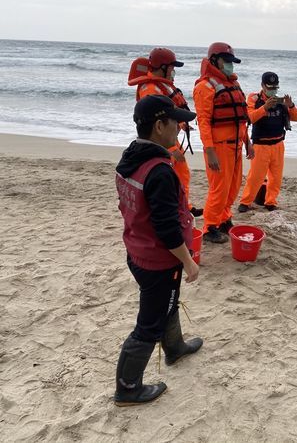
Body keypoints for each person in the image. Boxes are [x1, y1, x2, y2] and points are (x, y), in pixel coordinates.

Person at [114, 95, 203, 406]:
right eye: (175, 122)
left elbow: (131, 206)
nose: (180, 128)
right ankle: (127, 388)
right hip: (157, 260)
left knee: (168, 302)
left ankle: (175, 348)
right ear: (159, 125)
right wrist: (189, 262)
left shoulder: (131, 157)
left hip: (137, 250)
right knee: (149, 323)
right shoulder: (160, 171)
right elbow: (166, 229)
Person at [128, 47, 202, 217]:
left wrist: (181, 123)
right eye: (172, 67)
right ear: (163, 67)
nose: (174, 71)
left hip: (169, 137)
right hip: (160, 143)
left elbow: (169, 112)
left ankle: (183, 205)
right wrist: (172, 150)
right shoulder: (150, 89)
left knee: (182, 173)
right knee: (168, 176)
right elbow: (156, 124)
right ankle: (176, 208)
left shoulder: (160, 86)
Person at [193, 42, 254, 244]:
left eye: (231, 61)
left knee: (233, 187)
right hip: (218, 147)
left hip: (236, 145)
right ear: (214, 60)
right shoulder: (205, 87)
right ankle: (210, 226)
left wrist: (247, 142)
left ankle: (224, 218)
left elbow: (241, 118)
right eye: (226, 60)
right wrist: (209, 151)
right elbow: (203, 121)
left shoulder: (233, 84)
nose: (230, 65)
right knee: (219, 189)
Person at [238, 72, 297, 212]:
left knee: (276, 178)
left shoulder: (281, 102)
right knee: (255, 177)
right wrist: (265, 107)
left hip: (278, 144)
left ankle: (270, 202)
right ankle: (246, 202)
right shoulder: (254, 99)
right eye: (270, 87)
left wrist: (291, 106)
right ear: (262, 86)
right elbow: (249, 118)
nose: (273, 90)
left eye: (275, 87)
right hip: (261, 145)